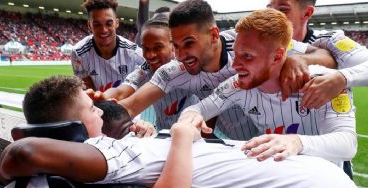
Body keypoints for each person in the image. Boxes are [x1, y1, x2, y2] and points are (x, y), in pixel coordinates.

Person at [0, 76, 367, 188]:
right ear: (73, 132)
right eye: (92, 109)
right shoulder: (98, 153)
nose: (101, 106)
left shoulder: (116, 149)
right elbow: (24, 151)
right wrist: (178, 135)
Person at [117, 0, 335, 140]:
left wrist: (299, 59)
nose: (181, 54)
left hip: (293, 140)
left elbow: (326, 56)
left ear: (213, 35)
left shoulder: (246, 41)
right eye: (176, 45)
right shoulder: (176, 70)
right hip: (242, 147)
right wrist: (92, 110)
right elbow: (131, 105)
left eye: (189, 43)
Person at [180, 8, 356, 171]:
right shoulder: (238, 83)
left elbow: (348, 144)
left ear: (277, 56)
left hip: (325, 186)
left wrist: (296, 142)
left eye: (247, 56)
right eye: (236, 54)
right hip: (276, 181)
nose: (235, 65)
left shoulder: (325, 82)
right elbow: (199, 109)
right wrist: (190, 117)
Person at [105, 8, 200, 130]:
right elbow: (121, 91)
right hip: (162, 136)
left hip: (194, 137)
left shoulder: (188, 67)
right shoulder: (146, 68)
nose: (150, 55)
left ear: (173, 46)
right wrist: (101, 97)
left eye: (157, 48)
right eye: (146, 48)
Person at [268, 0, 368, 108]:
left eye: (283, 9)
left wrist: (340, 78)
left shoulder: (329, 41)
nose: (271, 16)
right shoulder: (257, 47)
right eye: (269, 9)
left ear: (307, 13)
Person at [71, 0, 145, 92]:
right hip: (98, 104)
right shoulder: (79, 53)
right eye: (97, 24)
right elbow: (89, 91)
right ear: (89, 25)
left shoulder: (134, 53)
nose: (103, 30)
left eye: (109, 23)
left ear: (116, 23)